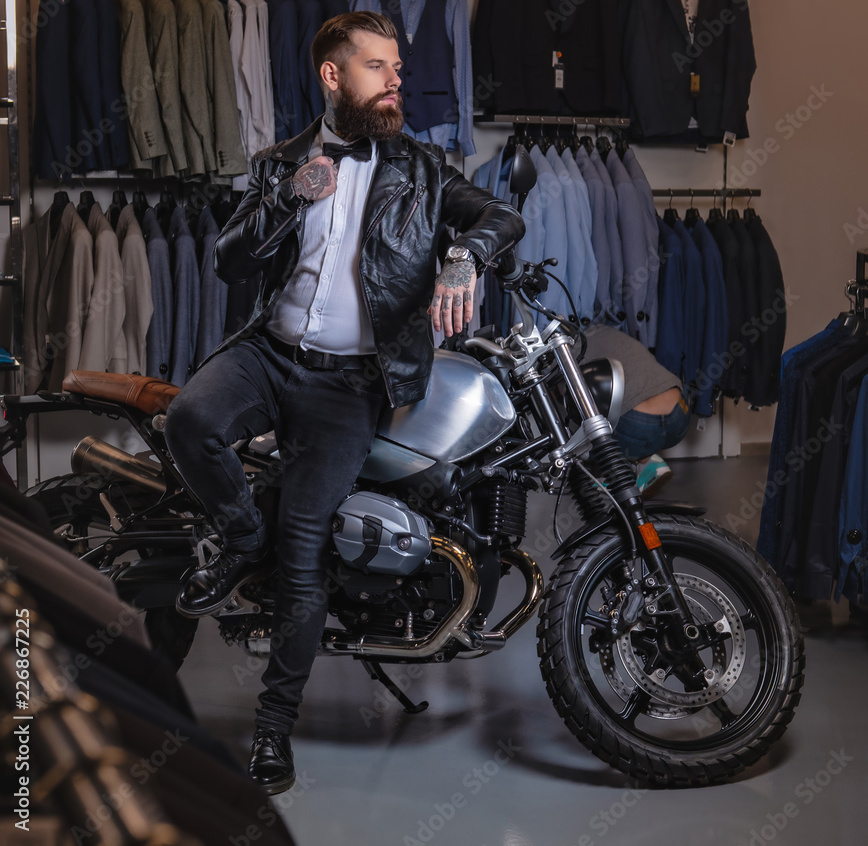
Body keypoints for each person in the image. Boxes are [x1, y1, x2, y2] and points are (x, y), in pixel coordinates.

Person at [163, 12, 523, 795]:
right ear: (333, 77)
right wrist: (292, 195)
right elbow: (230, 262)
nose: (397, 79)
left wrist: (465, 256)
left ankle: (270, 733)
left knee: (302, 559)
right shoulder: (284, 162)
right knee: (188, 420)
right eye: (378, 67)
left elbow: (504, 215)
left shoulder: (425, 170)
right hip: (271, 354)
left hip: (350, 383)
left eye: (398, 66)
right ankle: (236, 534)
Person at [581, 323, 691, 494]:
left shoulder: (568, 348)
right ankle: (645, 462)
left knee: (581, 433)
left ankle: (617, 475)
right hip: (681, 415)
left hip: (642, 427)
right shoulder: (605, 330)